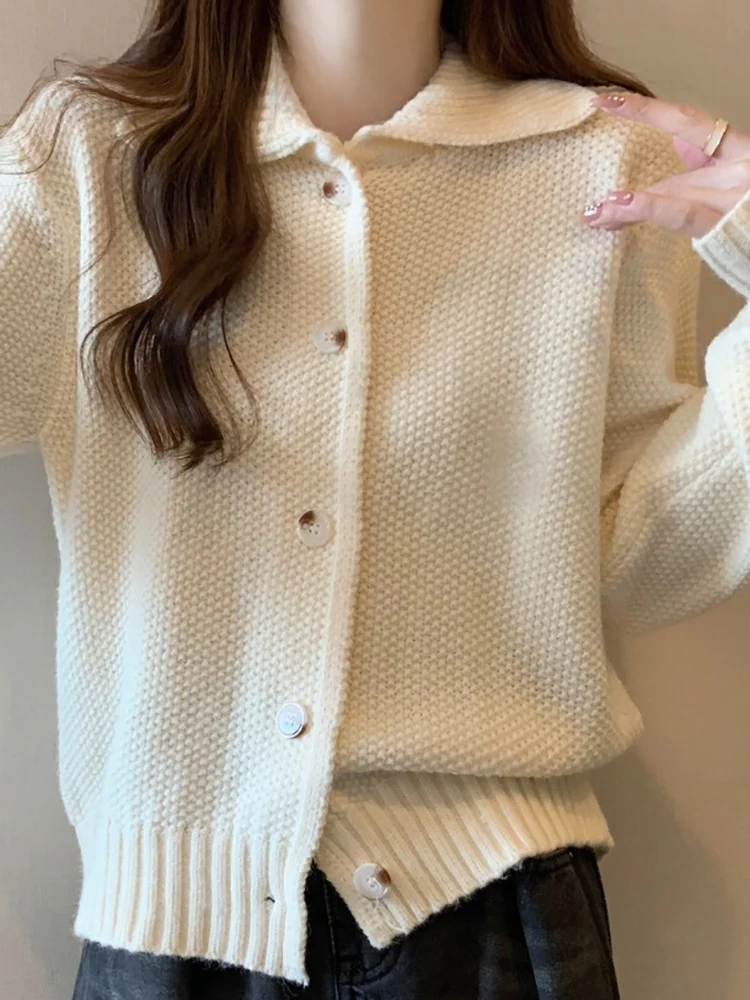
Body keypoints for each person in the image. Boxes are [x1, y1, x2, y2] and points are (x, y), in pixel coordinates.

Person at [1, 0, 749, 997]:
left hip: (493, 915)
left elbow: (645, 560)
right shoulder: (85, 157)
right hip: (170, 925)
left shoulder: (608, 160)